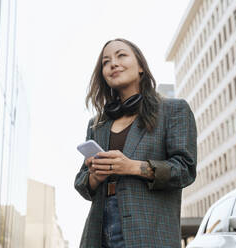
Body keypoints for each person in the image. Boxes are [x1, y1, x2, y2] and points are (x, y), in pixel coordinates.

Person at [74, 38, 197, 248]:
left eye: (121, 55)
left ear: (141, 67)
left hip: (148, 232)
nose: (113, 63)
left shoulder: (173, 110)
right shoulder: (97, 125)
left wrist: (132, 167)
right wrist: (95, 176)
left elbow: (185, 170)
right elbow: (81, 182)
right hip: (99, 231)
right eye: (106, 61)